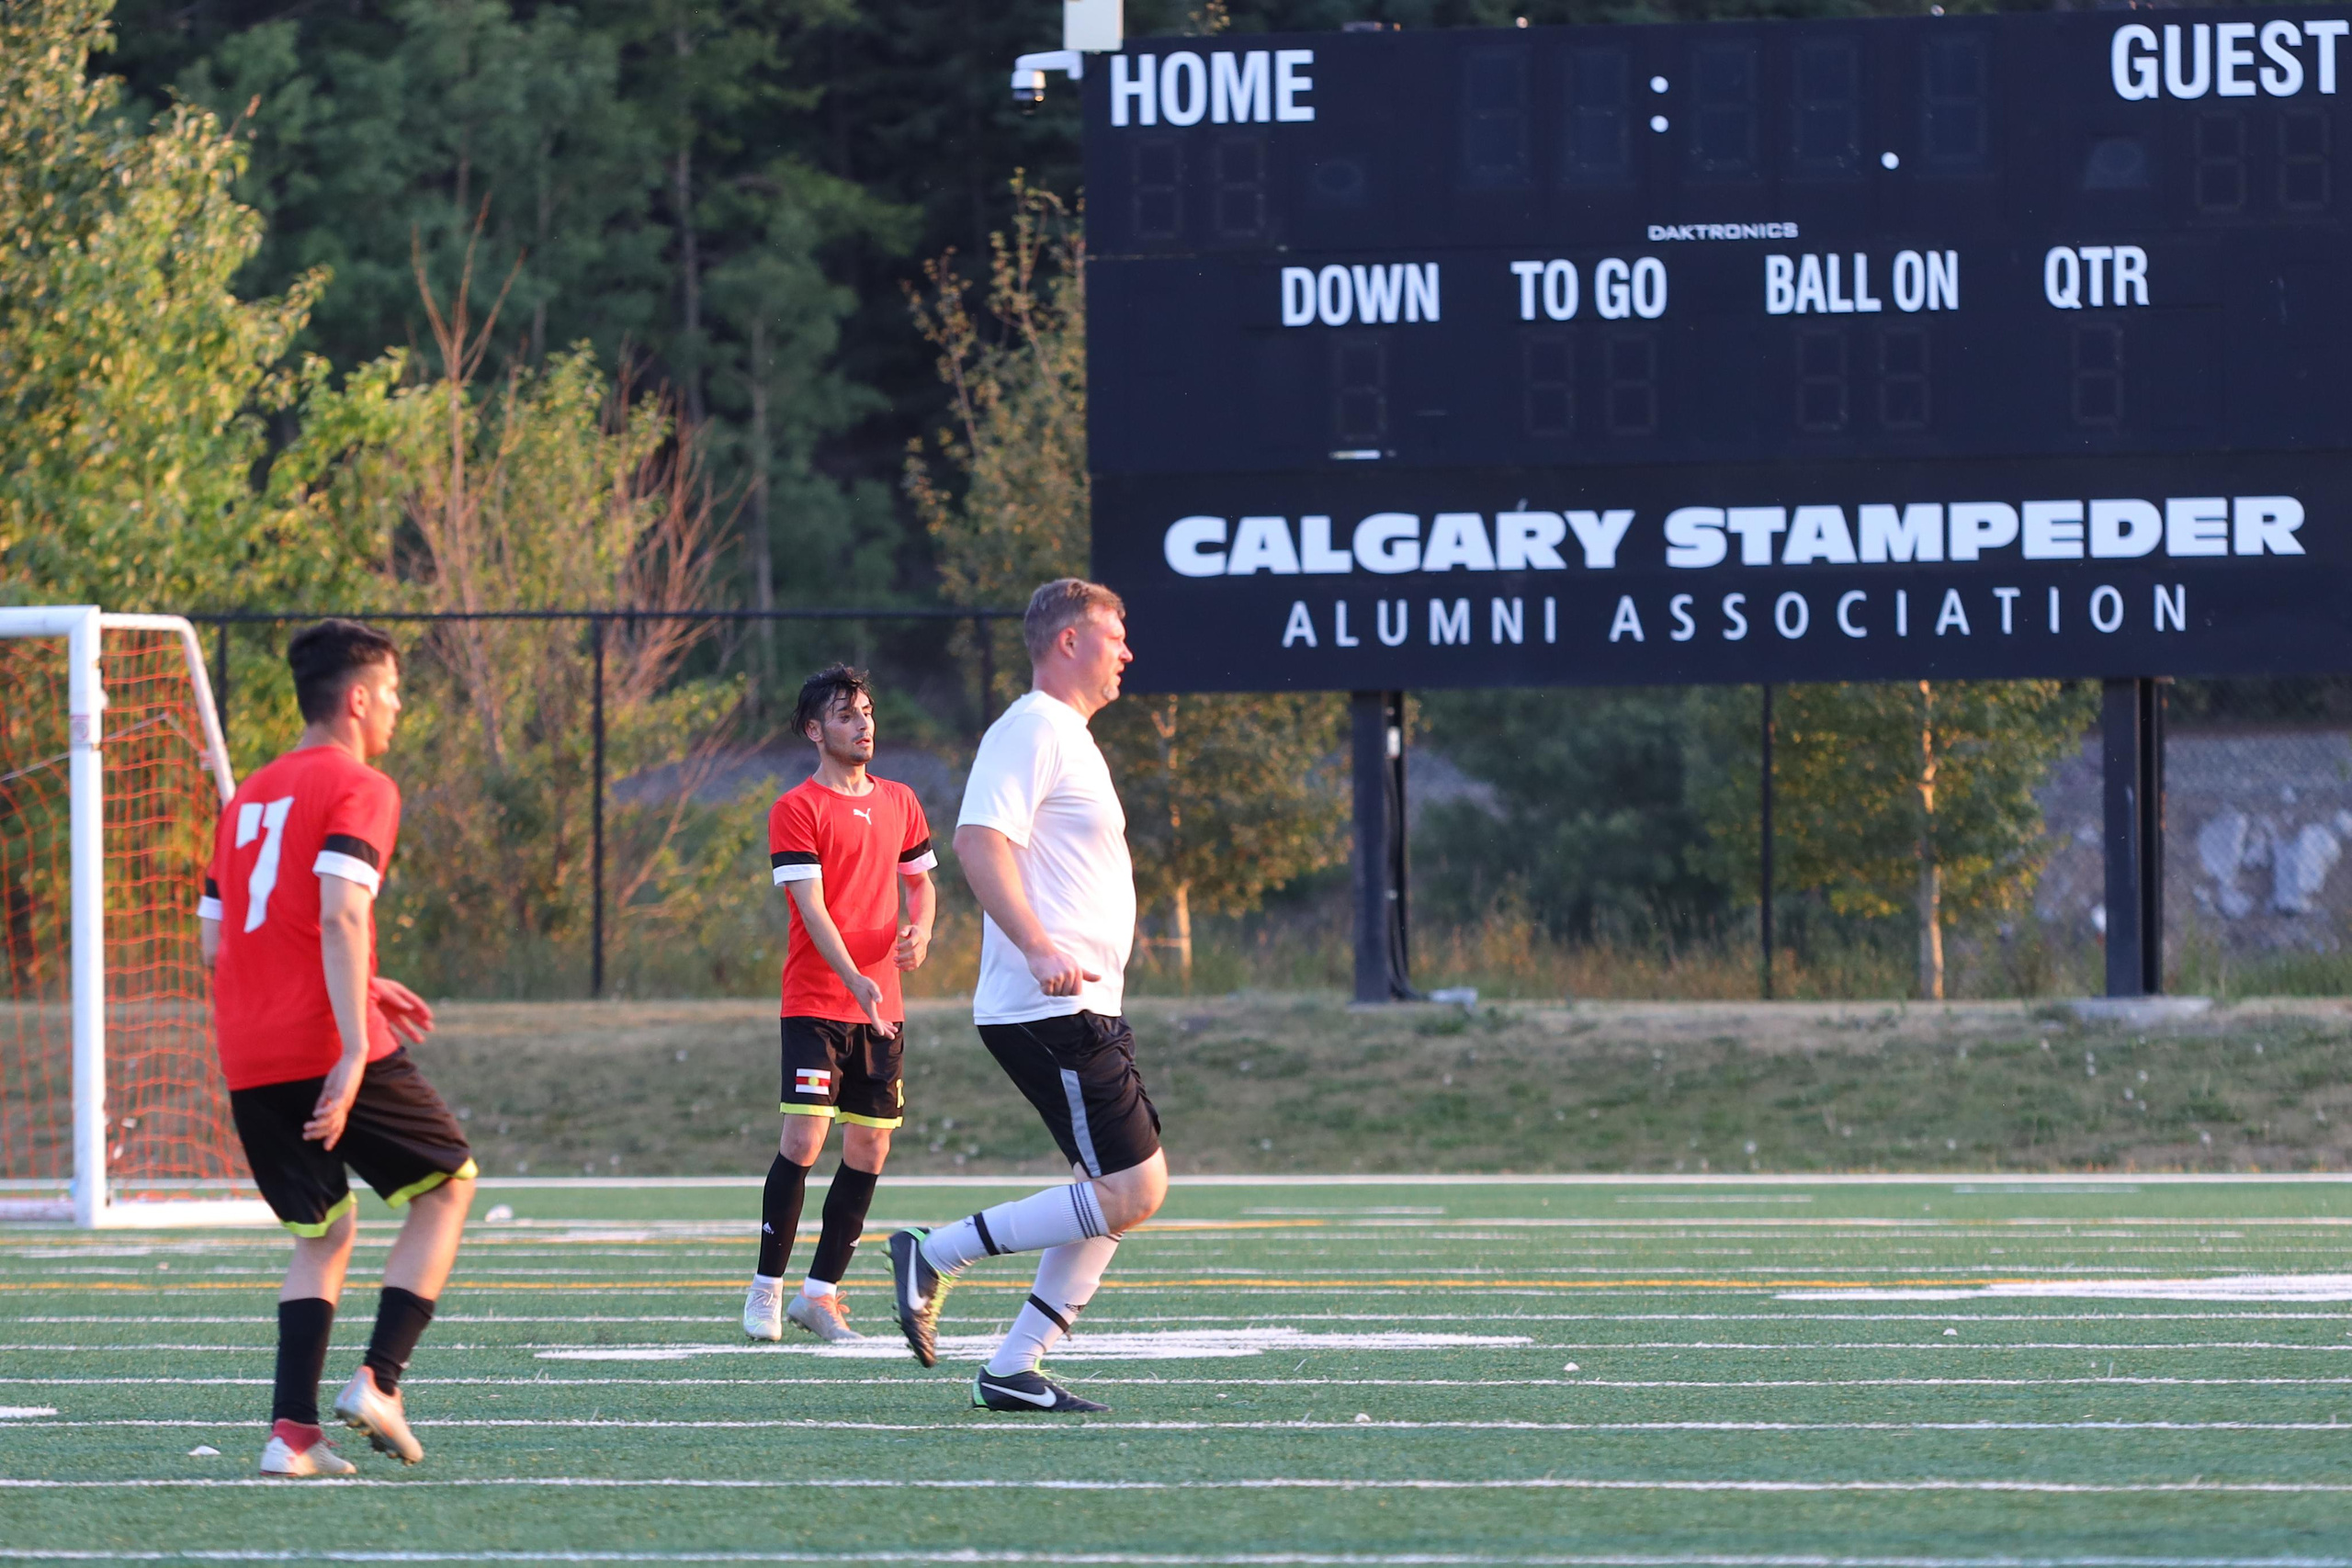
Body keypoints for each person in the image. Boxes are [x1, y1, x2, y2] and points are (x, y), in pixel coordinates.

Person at [198, 619, 474, 1478]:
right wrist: (356, 1046)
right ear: (357, 700)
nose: (396, 709)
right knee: (447, 1185)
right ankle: (379, 1381)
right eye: (392, 693)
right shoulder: (363, 784)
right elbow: (339, 911)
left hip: (247, 1052)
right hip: (322, 1043)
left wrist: (363, 983)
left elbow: (218, 944)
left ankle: (292, 1434)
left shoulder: (243, 800)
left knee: (324, 1233)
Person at [888, 579, 1165, 1414]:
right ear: (1069, 642)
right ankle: (935, 1251)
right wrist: (1041, 945)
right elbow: (978, 839)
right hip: (1049, 1006)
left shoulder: (1067, 735)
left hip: (1078, 1004)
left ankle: (1014, 1365)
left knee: (1105, 1192)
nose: (1128, 652)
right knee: (1135, 1187)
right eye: (1115, 635)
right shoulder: (1034, 725)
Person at [745, 665, 937, 1344]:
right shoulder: (796, 807)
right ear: (814, 730)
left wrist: (923, 926)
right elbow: (812, 908)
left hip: (881, 1008)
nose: (864, 725)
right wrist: (855, 975)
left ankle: (819, 1295)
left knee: (871, 1146)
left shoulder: (901, 800)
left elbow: (921, 881)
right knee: (804, 1138)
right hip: (817, 999)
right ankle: (766, 1289)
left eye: (867, 711)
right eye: (847, 715)